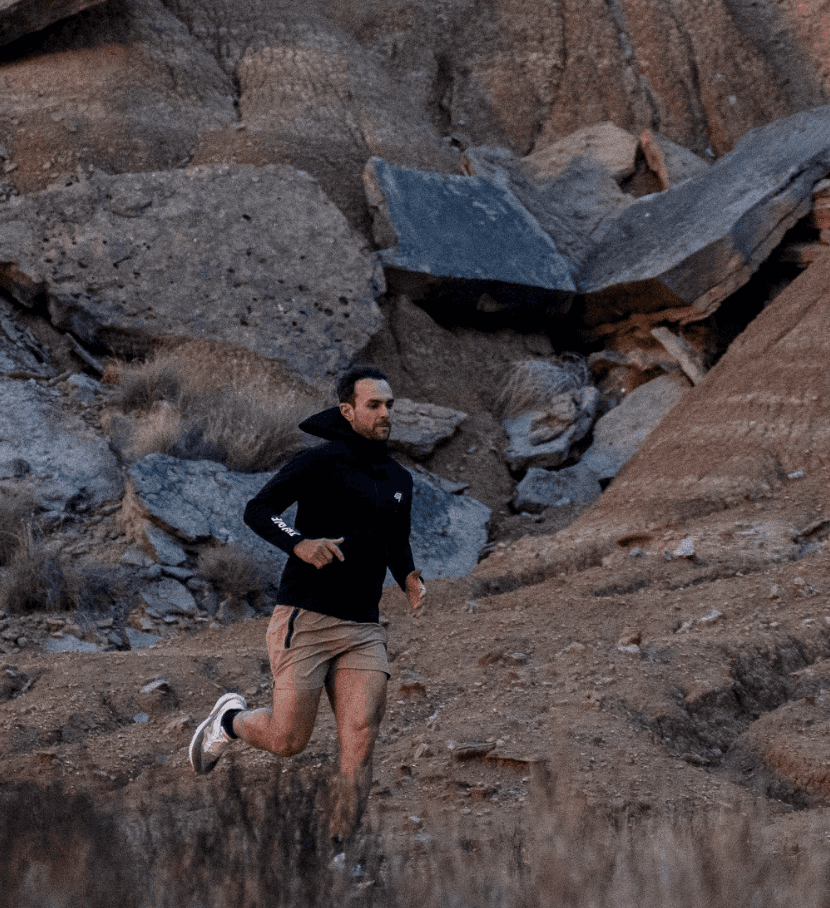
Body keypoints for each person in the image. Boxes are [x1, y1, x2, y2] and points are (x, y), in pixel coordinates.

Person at [188, 364, 426, 854]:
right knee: (287, 740)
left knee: (359, 741)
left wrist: (409, 577)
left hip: (363, 627)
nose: (385, 414)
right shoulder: (316, 462)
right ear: (347, 410)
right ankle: (228, 722)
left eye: (390, 406)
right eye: (374, 405)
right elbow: (258, 509)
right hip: (307, 617)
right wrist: (300, 544)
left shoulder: (399, 478)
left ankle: (339, 855)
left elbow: (395, 539)